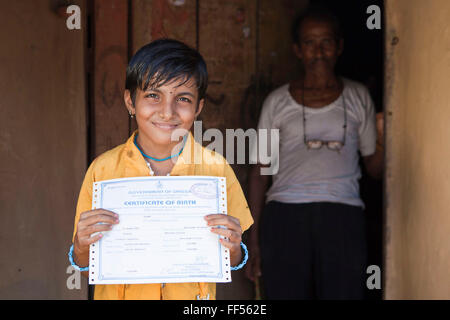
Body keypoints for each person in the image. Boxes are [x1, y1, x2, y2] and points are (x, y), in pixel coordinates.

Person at [69, 39, 253, 300]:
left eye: (183, 99)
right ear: (131, 102)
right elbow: (87, 267)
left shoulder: (216, 170)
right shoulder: (104, 171)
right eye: (153, 96)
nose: (167, 112)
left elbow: (233, 259)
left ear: (198, 107)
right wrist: (80, 245)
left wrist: (234, 248)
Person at [245, 8, 384, 299]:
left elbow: (375, 168)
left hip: (342, 216)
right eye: (309, 43)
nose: (318, 51)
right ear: (297, 50)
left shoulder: (358, 97)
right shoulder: (277, 102)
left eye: (326, 42)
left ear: (340, 47)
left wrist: (383, 137)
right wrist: (253, 237)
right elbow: (260, 173)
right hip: (285, 216)